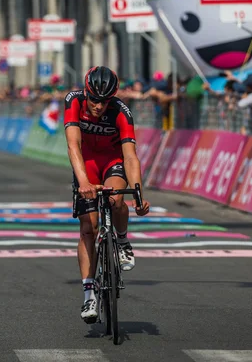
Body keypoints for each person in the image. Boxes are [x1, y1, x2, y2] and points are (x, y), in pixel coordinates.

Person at [64, 66, 151, 323]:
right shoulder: (73, 101)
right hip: (87, 164)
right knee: (88, 227)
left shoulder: (121, 111)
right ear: (86, 92)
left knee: (116, 199)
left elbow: (130, 157)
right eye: (94, 99)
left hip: (112, 161)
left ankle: (122, 240)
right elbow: (73, 145)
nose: (98, 106)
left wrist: (138, 193)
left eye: (104, 101)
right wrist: (83, 183)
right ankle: (89, 293)